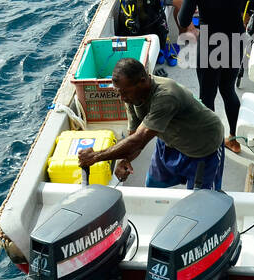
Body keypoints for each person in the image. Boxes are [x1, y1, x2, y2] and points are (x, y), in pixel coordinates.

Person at [77, 57, 226, 190]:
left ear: (142, 82)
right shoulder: (131, 95)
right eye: (119, 92)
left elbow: (139, 140)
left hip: (203, 147)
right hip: (170, 143)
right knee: (152, 187)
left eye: (124, 92)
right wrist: (125, 160)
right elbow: (134, 134)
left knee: (201, 201)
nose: (122, 98)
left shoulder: (166, 95)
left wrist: (95, 157)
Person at [176, 0, 254, 154]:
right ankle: (234, 138)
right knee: (228, 89)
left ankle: (212, 142)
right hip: (235, 37)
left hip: (211, 42)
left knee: (207, 95)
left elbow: (182, 20)